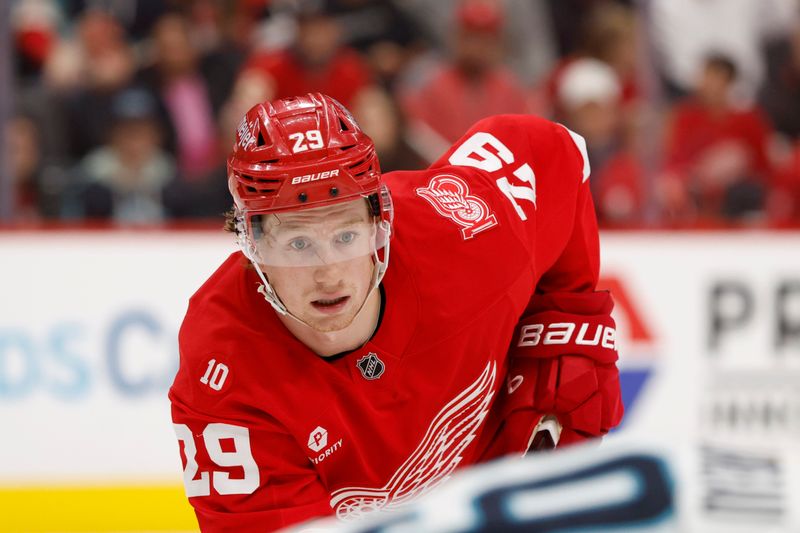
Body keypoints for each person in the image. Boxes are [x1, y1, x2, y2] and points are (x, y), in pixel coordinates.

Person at [169, 93, 624, 531]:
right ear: (253, 247)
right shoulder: (224, 365)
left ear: (378, 221)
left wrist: (566, 316)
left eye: (346, 237)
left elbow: (558, 151)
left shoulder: (464, 234)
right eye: (298, 244)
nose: (328, 273)